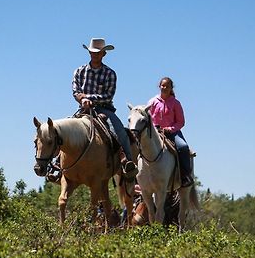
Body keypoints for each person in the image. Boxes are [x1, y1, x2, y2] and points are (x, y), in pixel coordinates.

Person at [72, 38, 137, 179]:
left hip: (104, 109)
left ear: (104, 54)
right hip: (83, 109)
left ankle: (127, 161)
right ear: (89, 52)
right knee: (64, 130)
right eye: (92, 52)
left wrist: (88, 97)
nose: (94, 55)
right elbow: (75, 90)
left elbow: (108, 95)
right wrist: (82, 99)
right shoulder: (79, 71)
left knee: (119, 131)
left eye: (98, 53)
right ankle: (59, 164)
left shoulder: (110, 73)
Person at [148, 77, 194, 187]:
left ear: (171, 88)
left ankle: (185, 176)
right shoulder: (152, 102)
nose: (164, 88)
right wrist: (154, 127)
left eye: (167, 86)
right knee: (139, 145)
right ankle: (136, 176)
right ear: (159, 86)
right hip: (155, 132)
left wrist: (170, 129)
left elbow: (181, 122)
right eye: (163, 85)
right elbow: (147, 118)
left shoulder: (175, 103)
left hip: (172, 133)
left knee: (182, 147)